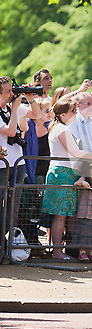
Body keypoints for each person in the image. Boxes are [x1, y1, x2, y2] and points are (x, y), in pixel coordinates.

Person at [41, 97, 92, 260]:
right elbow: (76, 152)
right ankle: (58, 251)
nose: (75, 113)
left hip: (65, 173)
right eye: (72, 111)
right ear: (63, 114)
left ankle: (65, 250)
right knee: (61, 215)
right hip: (62, 174)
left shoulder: (60, 128)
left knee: (65, 214)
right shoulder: (62, 130)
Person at [0, 76, 42, 233]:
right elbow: (10, 131)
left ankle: (7, 245)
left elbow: (37, 115)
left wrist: (30, 98)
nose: (12, 94)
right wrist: (15, 109)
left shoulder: (13, 107)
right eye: (8, 91)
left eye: (12, 90)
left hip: (18, 164)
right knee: (1, 206)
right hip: (2, 165)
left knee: (13, 208)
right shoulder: (11, 109)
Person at [72, 159, 92, 263]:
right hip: (85, 212)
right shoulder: (85, 178)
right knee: (83, 232)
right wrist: (83, 182)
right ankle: (82, 252)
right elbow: (77, 183)